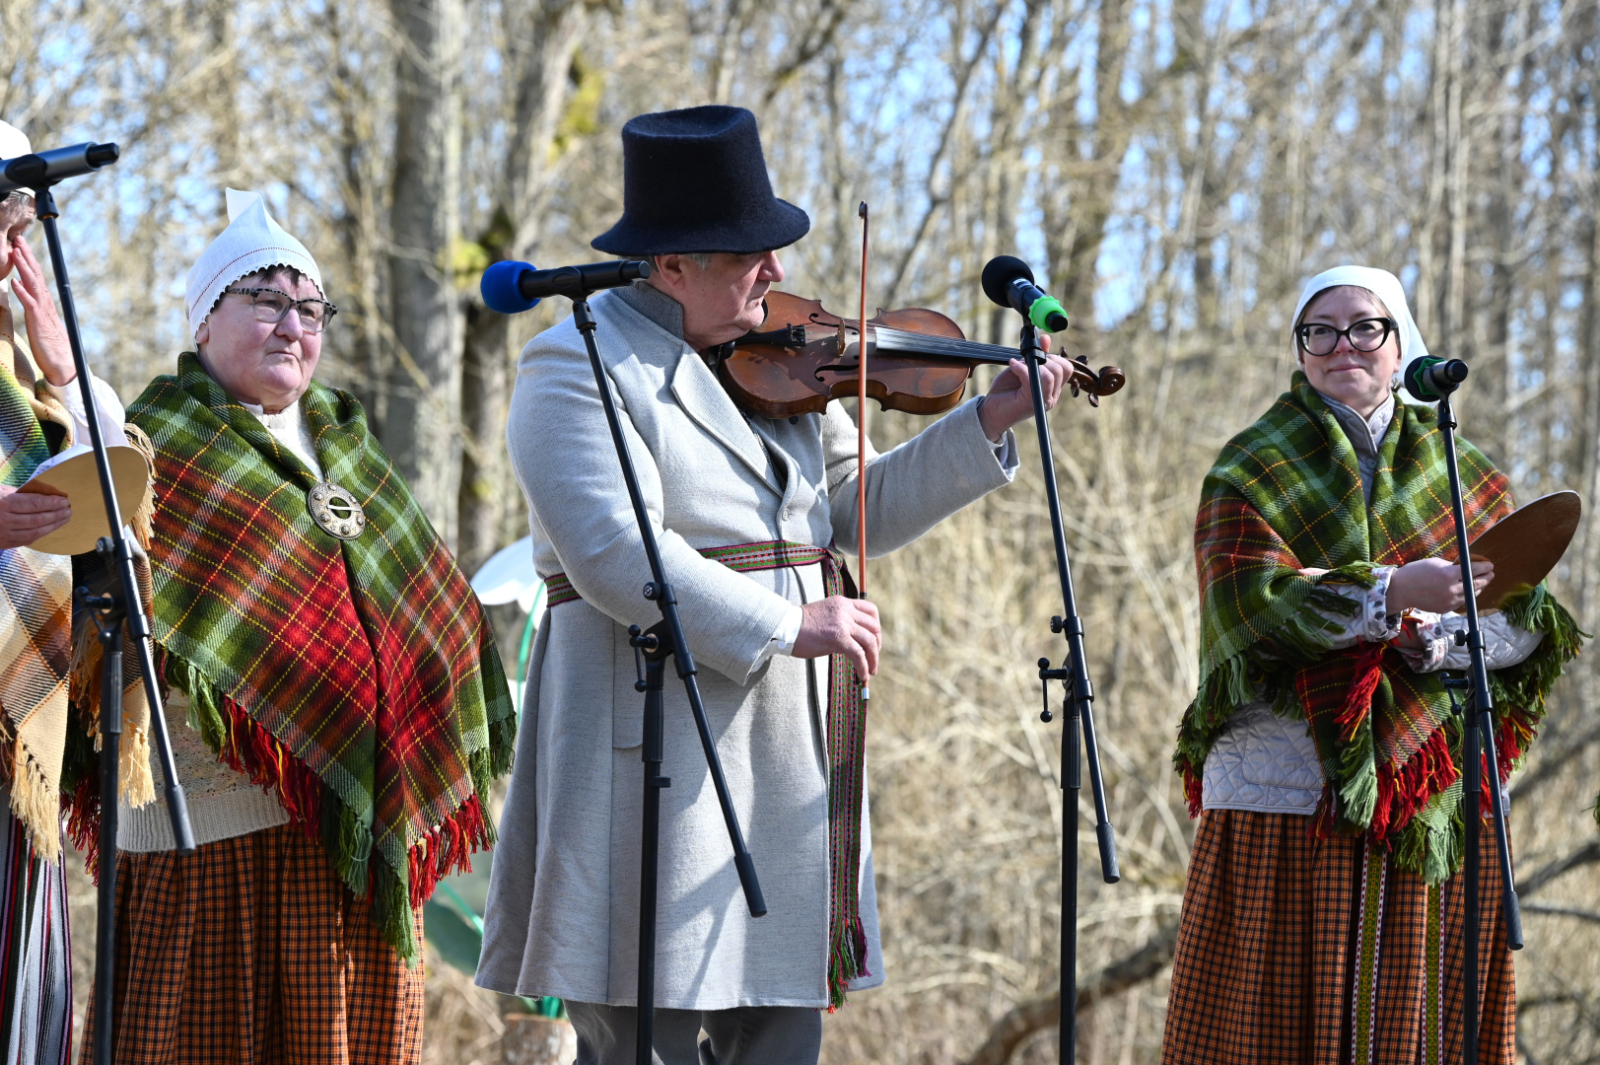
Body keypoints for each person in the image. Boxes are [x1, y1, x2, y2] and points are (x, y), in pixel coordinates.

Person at [475, 104, 1077, 1065]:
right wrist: (790, 622)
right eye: (751, 253)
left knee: (780, 1036)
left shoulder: (784, 361)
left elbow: (853, 505)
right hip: (648, 741)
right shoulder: (575, 360)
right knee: (646, 1034)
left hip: (786, 750)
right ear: (672, 265)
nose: (780, 272)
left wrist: (987, 424)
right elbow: (613, 552)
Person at [72, 189, 516, 1064]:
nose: (292, 325)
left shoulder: (354, 449)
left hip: (358, 842)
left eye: (310, 308)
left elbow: (438, 618)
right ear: (203, 322)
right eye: (265, 300)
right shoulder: (157, 447)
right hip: (210, 844)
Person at [1163, 266, 1584, 1063]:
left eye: (1365, 326)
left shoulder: (1459, 469)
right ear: (1300, 351)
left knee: (1415, 1032)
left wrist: (1435, 637)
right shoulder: (1250, 466)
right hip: (1282, 796)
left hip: (1431, 803)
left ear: (1401, 348)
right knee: (1265, 1033)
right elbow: (1248, 603)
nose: (1341, 344)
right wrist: (1388, 592)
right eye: (1318, 330)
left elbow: (1523, 621)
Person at [0, 117, 136, 1065]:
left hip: (19, 735)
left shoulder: (30, 368)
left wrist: (61, 360)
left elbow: (123, 493)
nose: (12, 247)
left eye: (17, 225)